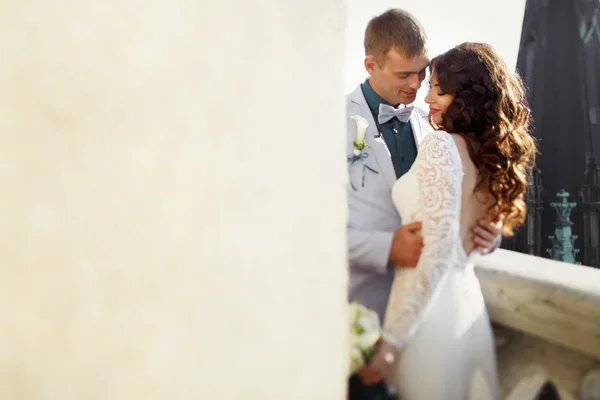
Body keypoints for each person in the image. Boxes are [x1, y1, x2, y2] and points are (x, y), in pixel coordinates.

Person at [345, 9, 502, 398]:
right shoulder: (328, 123)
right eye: (404, 75)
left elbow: (454, 204)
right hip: (354, 320)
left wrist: (487, 232)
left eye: (423, 72)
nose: (417, 85)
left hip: (425, 320)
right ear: (371, 64)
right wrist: (385, 247)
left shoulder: (436, 124)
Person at [367, 42, 537, 399]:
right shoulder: (489, 156)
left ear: (466, 98)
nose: (427, 98)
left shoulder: (441, 145)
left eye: (438, 90)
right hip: (466, 308)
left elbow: (437, 250)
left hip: (429, 324)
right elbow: (471, 231)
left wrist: (391, 343)